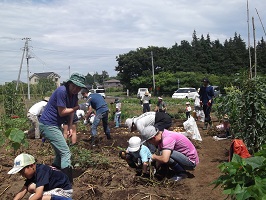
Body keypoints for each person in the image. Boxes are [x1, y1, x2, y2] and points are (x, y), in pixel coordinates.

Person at [39, 73, 87, 183]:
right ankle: (67, 183)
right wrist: (78, 107)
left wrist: (70, 126)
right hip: (47, 124)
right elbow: (62, 112)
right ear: (69, 83)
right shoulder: (62, 91)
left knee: (59, 155)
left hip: (54, 125)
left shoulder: (74, 95)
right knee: (65, 153)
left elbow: (71, 112)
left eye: (79, 87)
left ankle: (50, 176)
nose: (76, 89)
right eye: (74, 86)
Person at [8, 153, 72, 200]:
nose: (22, 174)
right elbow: (22, 191)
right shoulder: (33, 173)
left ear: (31, 166)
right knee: (30, 187)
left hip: (64, 192)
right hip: (55, 189)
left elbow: (38, 194)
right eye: (20, 172)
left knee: (33, 197)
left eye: (22, 171)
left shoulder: (42, 171)